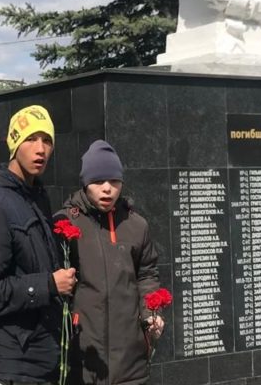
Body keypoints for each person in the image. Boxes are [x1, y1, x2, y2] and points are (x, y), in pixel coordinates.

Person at [0, 105, 77, 385]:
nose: (40, 149)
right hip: (10, 365)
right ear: (14, 143)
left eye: (47, 140)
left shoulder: (36, 196)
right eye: (31, 139)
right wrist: (48, 285)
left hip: (40, 359)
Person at [56, 141, 162, 385]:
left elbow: (147, 274)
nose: (107, 189)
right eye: (98, 181)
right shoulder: (65, 223)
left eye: (114, 181)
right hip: (83, 358)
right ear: (85, 183)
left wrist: (150, 313)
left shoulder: (136, 225)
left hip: (130, 363)